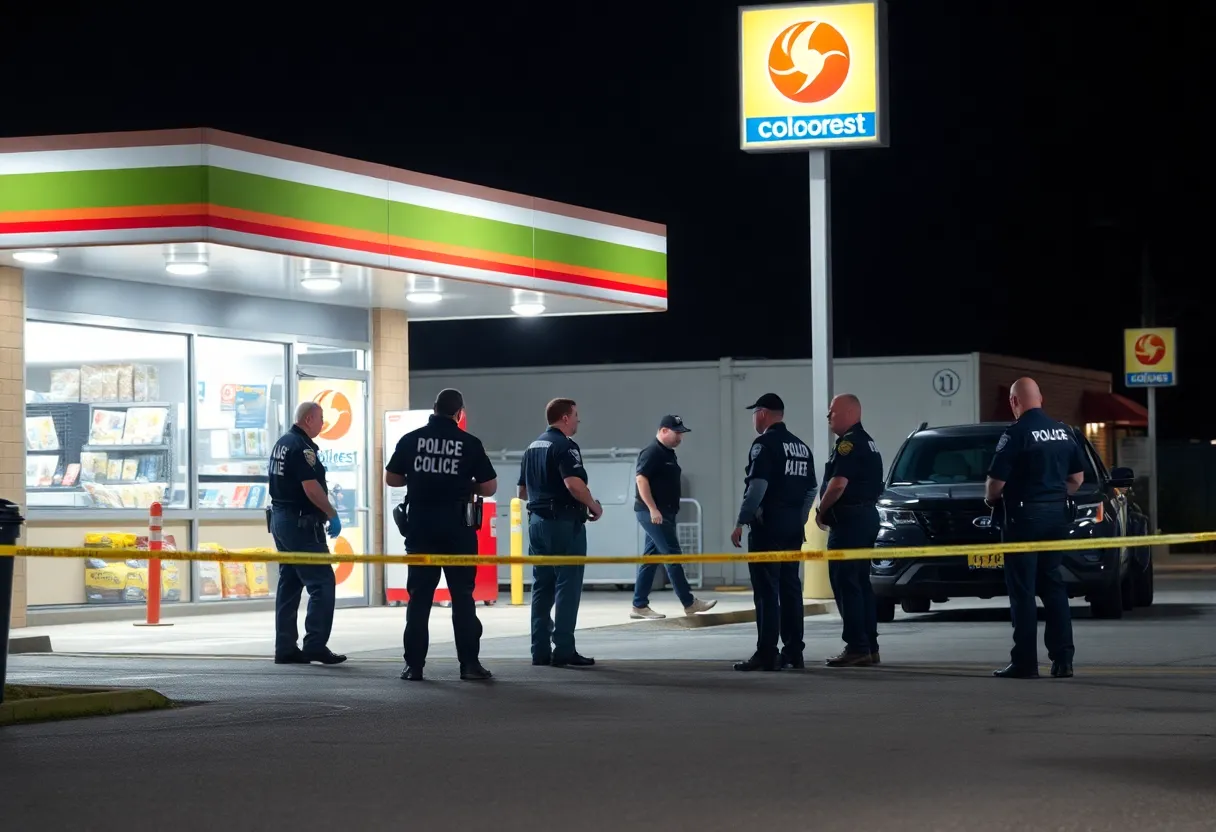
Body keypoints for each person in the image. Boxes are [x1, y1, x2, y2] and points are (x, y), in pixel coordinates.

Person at [386, 388, 498, 682]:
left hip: (420, 530)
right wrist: (464, 485)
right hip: (458, 532)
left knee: (419, 600)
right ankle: (469, 665)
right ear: (459, 413)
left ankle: (414, 667)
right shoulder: (469, 443)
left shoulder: (411, 439)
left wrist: (421, 480)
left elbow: (392, 478)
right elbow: (489, 487)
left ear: (433, 409)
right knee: (463, 599)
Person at [985, 377, 1081, 680]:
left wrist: (994, 499)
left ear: (1015, 402)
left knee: (1023, 591)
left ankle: (1025, 663)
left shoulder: (1016, 433)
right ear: (1041, 399)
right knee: (1053, 587)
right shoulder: (1064, 432)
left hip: (1023, 521)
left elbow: (994, 487)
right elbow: (1076, 479)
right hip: (1055, 518)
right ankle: (1063, 660)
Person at [730, 393, 817, 671]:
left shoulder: (764, 445)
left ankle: (767, 653)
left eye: (754, 412)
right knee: (791, 589)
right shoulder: (802, 447)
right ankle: (793, 652)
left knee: (767, 590)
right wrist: (800, 520)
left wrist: (741, 521)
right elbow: (811, 490)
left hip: (768, 528)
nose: (753, 418)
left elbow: (757, 487)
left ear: (764, 413)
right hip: (792, 528)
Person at [518, 398, 603, 668]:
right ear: (565, 417)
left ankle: (539, 651)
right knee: (568, 585)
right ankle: (564, 650)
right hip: (564, 523)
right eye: (576, 415)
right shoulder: (566, 446)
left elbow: (521, 492)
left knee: (542, 587)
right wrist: (593, 505)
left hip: (537, 524)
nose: (578, 420)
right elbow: (574, 484)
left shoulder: (532, 447)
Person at [268, 401, 346, 666]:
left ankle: (286, 647)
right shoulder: (301, 448)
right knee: (322, 583)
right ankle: (314, 644)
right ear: (310, 419)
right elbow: (311, 488)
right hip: (301, 524)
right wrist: (332, 514)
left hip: (281, 521)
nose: (323, 423)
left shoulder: (283, 442)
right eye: (322, 418)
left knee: (289, 584)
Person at [816, 393, 885, 668]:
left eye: (832, 411)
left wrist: (820, 511)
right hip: (865, 518)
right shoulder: (868, 442)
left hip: (849, 522)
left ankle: (857, 646)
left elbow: (838, 485)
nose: (828, 416)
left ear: (848, 412)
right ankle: (869, 646)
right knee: (861, 584)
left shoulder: (849, 444)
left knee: (847, 585)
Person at [629, 415, 718, 620]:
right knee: (672, 555)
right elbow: (641, 480)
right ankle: (689, 602)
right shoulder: (652, 452)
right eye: (676, 433)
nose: (680, 437)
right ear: (663, 431)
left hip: (664, 513)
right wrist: (653, 509)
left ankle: (639, 605)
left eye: (681, 434)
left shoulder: (668, 453)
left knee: (650, 559)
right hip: (653, 513)